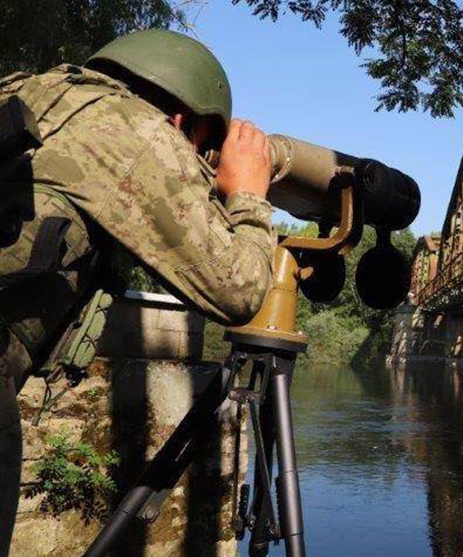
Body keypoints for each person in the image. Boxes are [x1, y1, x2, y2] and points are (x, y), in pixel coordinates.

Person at [0, 29, 276, 554]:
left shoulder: (29, 90)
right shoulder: (142, 131)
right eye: (203, 147)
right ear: (182, 121)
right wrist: (247, 197)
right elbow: (238, 291)